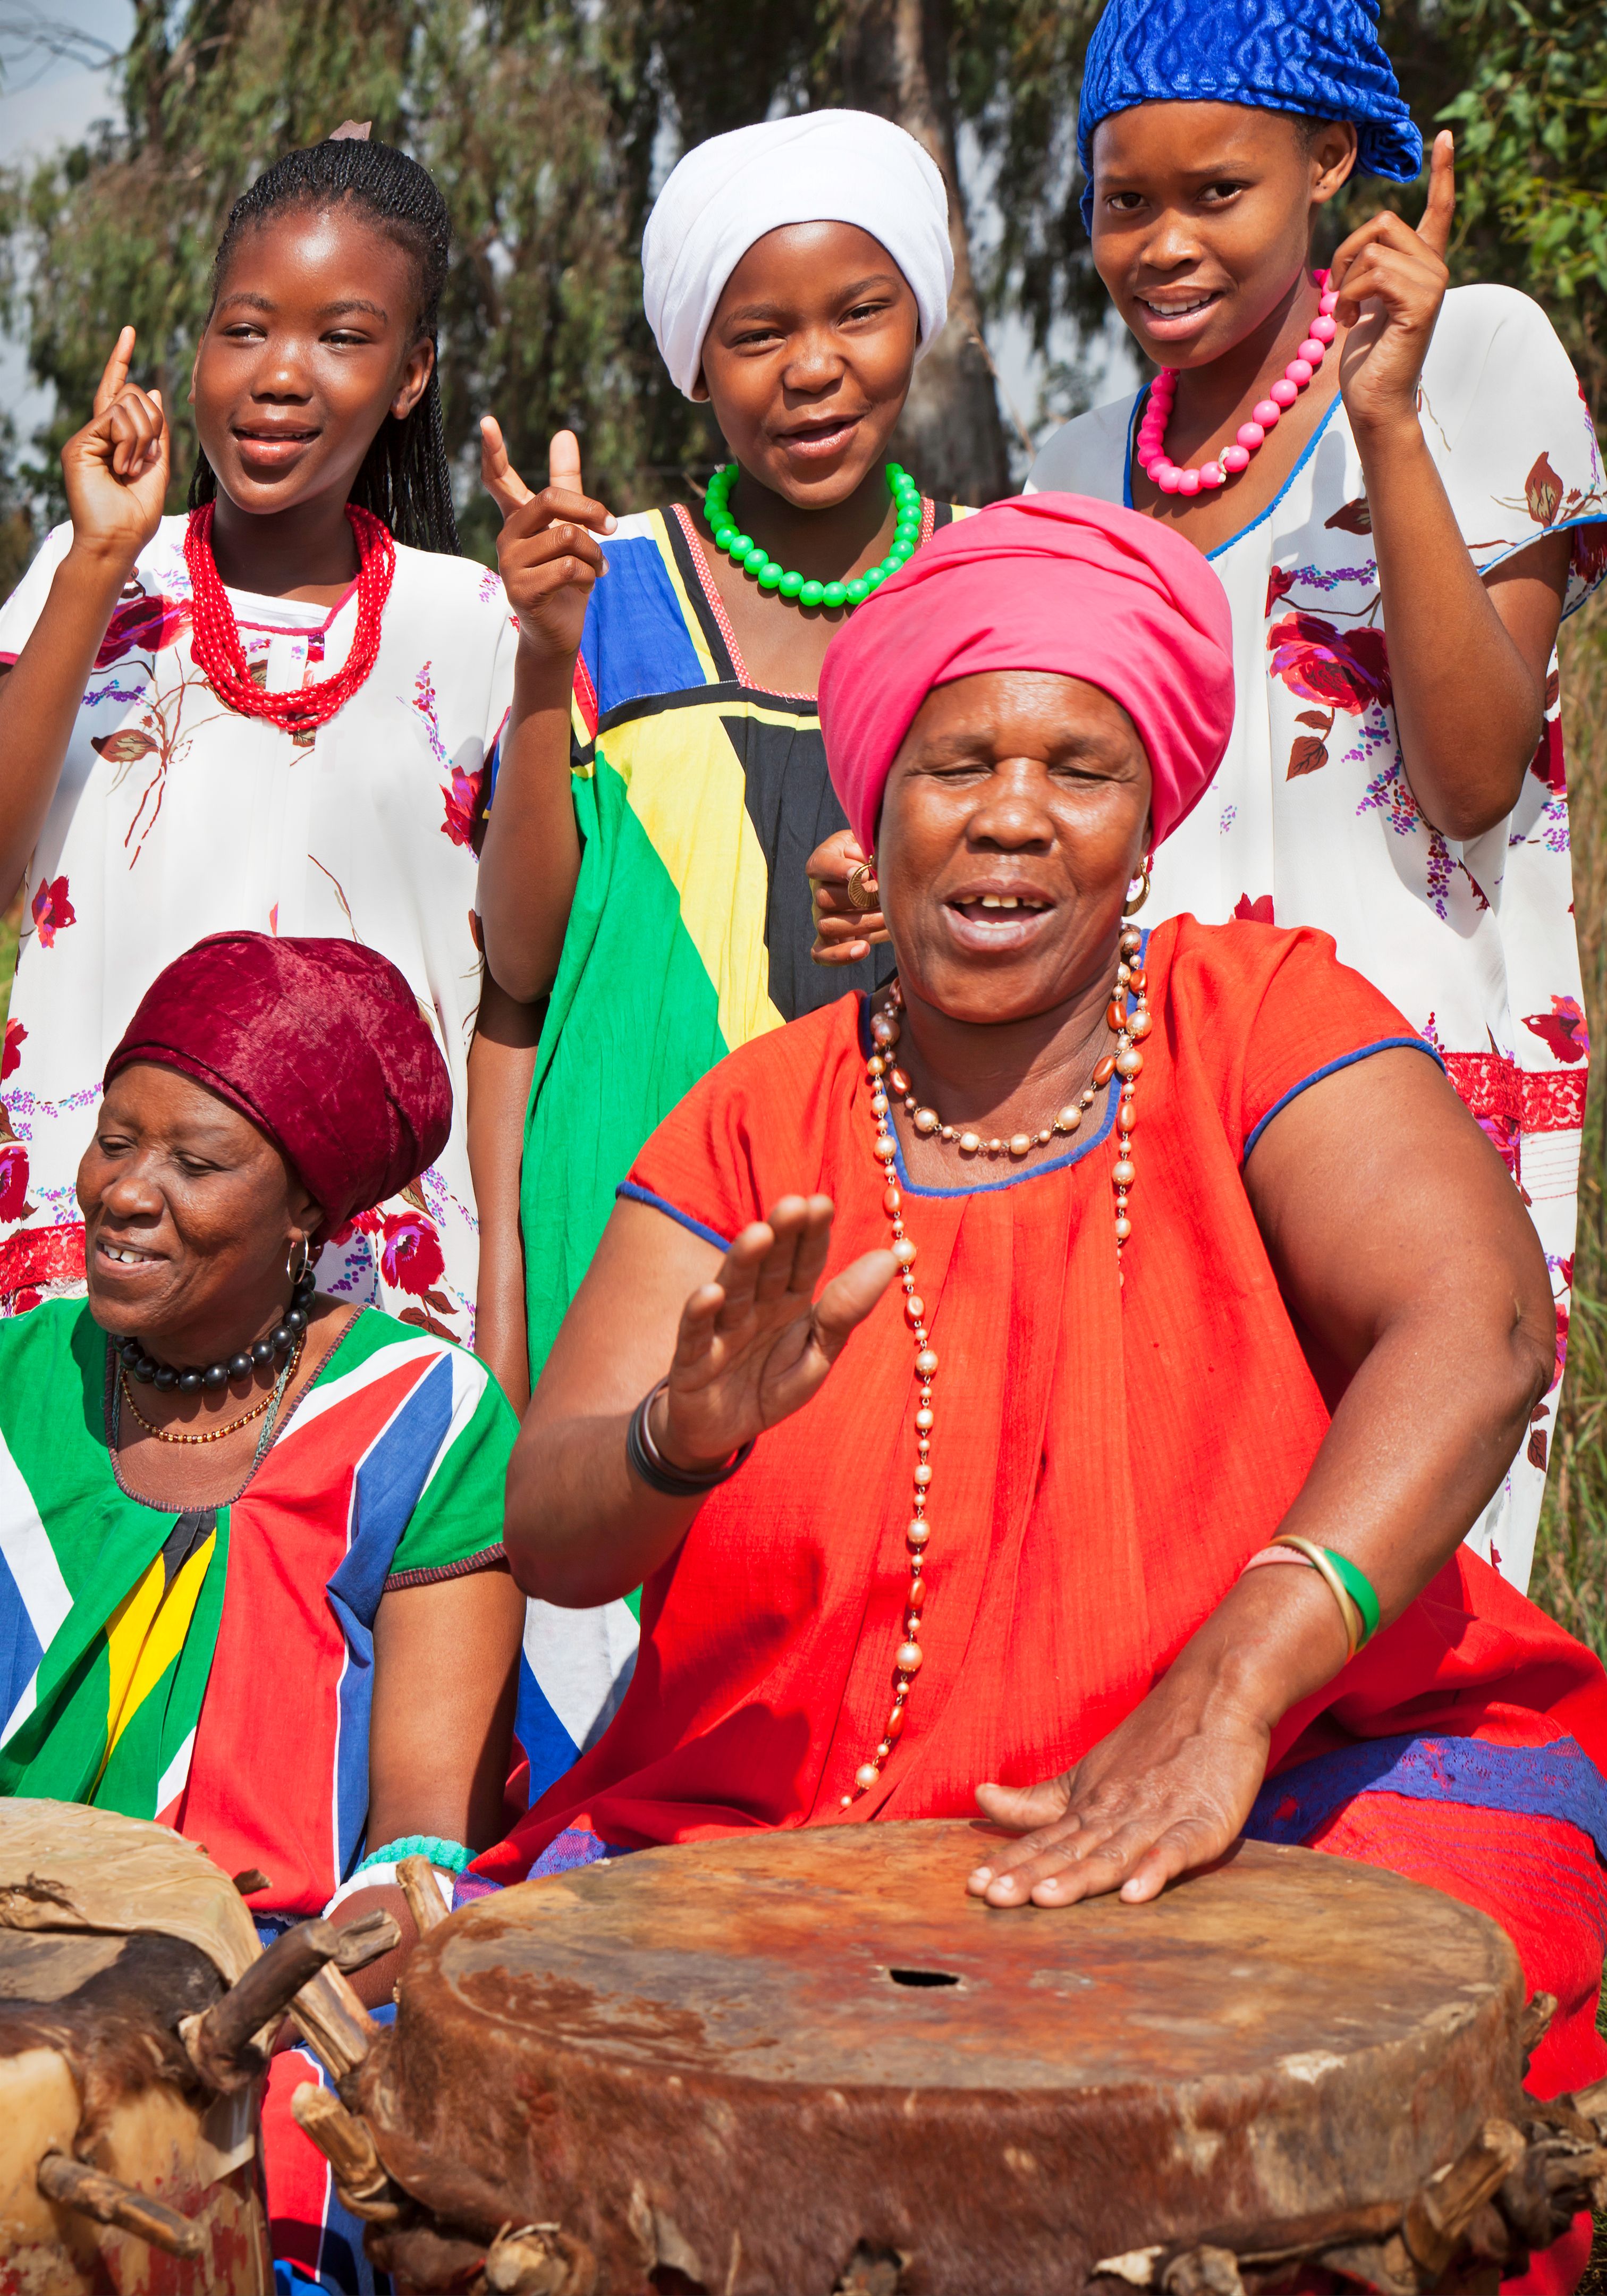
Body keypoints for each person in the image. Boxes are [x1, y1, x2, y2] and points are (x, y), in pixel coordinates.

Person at [479, 497, 1607, 2296]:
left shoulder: (1266, 1019)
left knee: (1423, 2070)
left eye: (1076, 768)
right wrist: (673, 1440)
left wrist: (1224, 1696)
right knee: (434, 2100)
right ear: (876, 800)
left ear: (1144, 824)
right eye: (958, 764)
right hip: (797, 1828)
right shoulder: (749, 1121)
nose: (1011, 812)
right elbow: (545, 1525)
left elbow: (1476, 1330)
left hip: (1302, 1769)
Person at [1026, 0, 1607, 1593]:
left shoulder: (1474, 355)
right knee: (1151, 1605)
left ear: (1328, 163)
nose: (1161, 245)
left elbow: (1476, 775)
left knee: (1384, 1623)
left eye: (1217, 193)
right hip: (1140, 1130)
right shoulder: (1069, 468)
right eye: (1122, 201)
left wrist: (1388, 420)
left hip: (1397, 1118)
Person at [471, 108, 969, 1786]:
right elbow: (520, 958)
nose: (812, 370)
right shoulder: (596, 587)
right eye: (757, 334)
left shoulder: (984, 589)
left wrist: (904, 925)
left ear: (925, 322)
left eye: (859, 314)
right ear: (698, 364)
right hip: (634, 1197)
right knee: (626, 1704)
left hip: (904, 1205)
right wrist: (543, 676)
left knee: (875, 1663)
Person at [0, 930, 524, 2289]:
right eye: (117, 1140)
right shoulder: (14, 1378)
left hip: (266, 2005)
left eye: (196, 1163)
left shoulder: (424, 1421)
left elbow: (422, 1841)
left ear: (309, 1214)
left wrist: (261, 2012)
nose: (125, 1193)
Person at [0, 129, 521, 1360]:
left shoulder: (479, 625)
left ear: (411, 372)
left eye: (341, 336)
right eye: (245, 329)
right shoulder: (88, 588)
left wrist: (504, 1287)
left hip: (381, 1280)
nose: (280, 373)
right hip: (100, 1248)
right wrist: (94, 566)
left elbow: (520, 983)